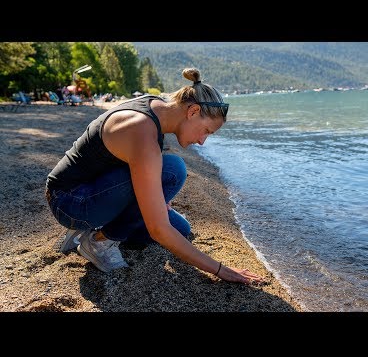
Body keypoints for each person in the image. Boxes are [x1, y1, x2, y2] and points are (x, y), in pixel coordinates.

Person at [45, 67, 264, 284]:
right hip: (70, 200)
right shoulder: (141, 129)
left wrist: (157, 200)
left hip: (98, 186)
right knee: (172, 170)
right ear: (193, 111)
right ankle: (98, 241)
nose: (202, 141)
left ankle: (96, 225)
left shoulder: (157, 107)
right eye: (206, 130)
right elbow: (158, 229)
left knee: (181, 229)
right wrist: (220, 270)